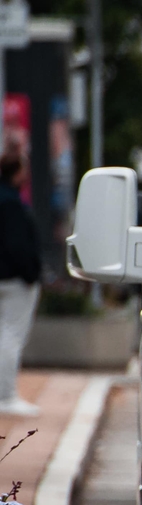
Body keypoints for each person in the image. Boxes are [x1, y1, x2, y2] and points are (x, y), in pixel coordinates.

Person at [0, 151, 42, 419]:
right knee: (11, 336)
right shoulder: (12, 204)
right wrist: (30, 274)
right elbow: (17, 244)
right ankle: (5, 395)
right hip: (14, 279)